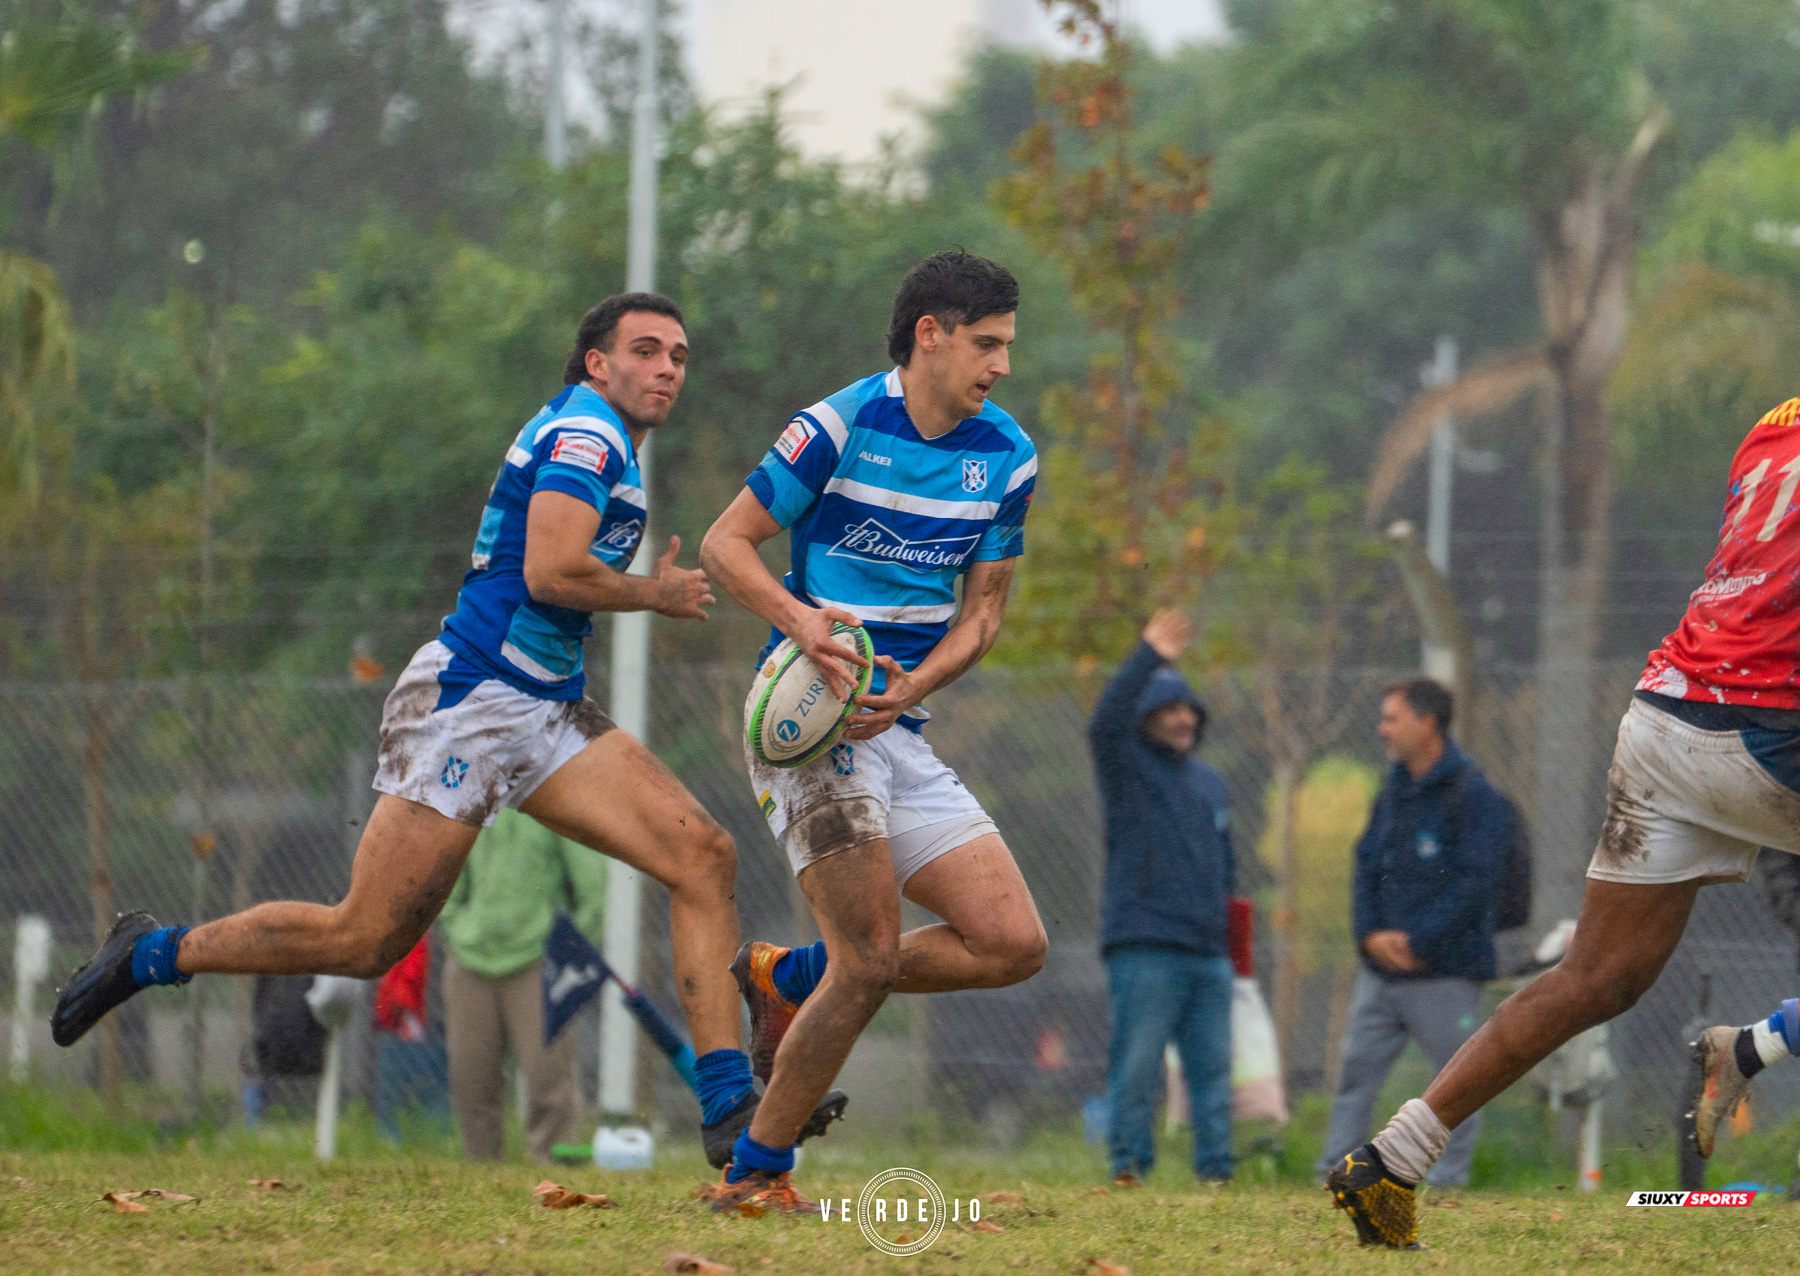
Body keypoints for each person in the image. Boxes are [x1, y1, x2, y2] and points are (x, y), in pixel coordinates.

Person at [51, 293, 841, 1170]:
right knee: (364, 939)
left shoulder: (608, 441)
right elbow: (548, 571)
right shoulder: (589, 434)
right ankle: (154, 952)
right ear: (596, 364)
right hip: (470, 702)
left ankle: (728, 1105)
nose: (665, 369)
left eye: (678, 356)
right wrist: (654, 594)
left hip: (543, 709)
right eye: (646, 351)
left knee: (704, 855)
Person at [1329, 396, 1800, 1249]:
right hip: (1769, 727)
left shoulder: (1774, 422)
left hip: (1667, 718)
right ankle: (1759, 1045)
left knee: (1593, 979)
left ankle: (1392, 1158)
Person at [699, 250, 1048, 1214]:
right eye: (987, 344)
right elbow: (724, 544)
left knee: (1013, 942)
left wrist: (915, 685)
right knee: (873, 960)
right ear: (929, 335)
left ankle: (789, 976)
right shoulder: (838, 427)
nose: (1002, 367)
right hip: (813, 725)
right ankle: (758, 1174)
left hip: (899, 724)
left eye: (1009, 347)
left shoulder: (1006, 455)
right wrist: (805, 624)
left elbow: (983, 614)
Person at [1316, 678, 1508, 1190]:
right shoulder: (1391, 792)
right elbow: (1364, 867)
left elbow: (1476, 885)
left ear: (1427, 724)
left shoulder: (1476, 795)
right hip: (1381, 975)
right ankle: (1337, 1177)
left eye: (1392, 718)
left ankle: (1447, 1186)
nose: (1382, 729)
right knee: (1354, 1079)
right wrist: (1369, 937)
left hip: (1445, 975)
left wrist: (1417, 943)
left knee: (1458, 1084)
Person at [1090, 607, 1237, 1185]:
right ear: (1145, 718)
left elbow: (1228, 869)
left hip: (1209, 953)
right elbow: (1103, 723)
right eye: (1168, 709)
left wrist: (1233, 949)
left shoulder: (1209, 782)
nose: (1181, 719)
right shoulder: (1125, 767)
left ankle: (1217, 1172)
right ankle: (1129, 1166)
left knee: (1213, 1070)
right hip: (1146, 946)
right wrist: (1148, 653)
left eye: (1188, 709)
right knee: (1137, 1066)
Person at [439, 808, 607, 1162]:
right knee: (471, 1078)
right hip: (470, 959)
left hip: (537, 962)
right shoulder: (468, 802)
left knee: (549, 1080)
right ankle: (481, 1171)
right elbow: (444, 878)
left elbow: (595, 888)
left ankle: (557, 1167)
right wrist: (457, 928)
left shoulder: (552, 803)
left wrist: (568, 951)